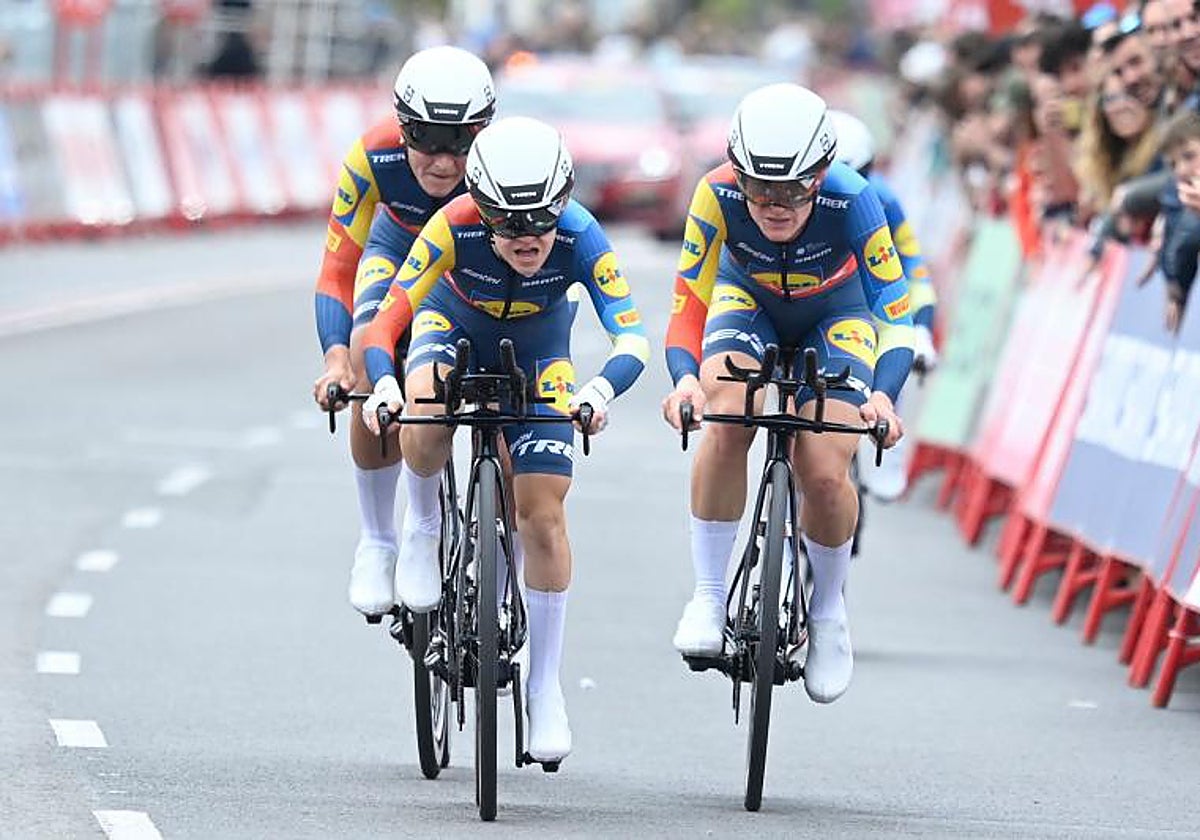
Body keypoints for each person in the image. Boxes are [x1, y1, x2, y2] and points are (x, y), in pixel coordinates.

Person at [359, 117, 649, 761]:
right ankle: (425, 526)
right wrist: (384, 387)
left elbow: (631, 338)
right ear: (482, 210)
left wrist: (598, 393)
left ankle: (545, 687)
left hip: (542, 353)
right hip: (450, 327)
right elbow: (384, 327)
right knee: (426, 409)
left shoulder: (580, 234)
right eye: (510, 224)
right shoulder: (452, 225)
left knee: (542, 515)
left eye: (542, 220)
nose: (529, 239)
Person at [661, 84, 912, 704]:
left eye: (795, 190)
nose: (775, 205)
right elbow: (689, 302)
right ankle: (710, 595)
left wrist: (883, 395)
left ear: (821, 174)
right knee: (726, 412)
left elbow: (894, 313)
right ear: (737, 174)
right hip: (749, 304)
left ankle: (828, 615)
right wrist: (685, 379)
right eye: (760, 188)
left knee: (825, 468)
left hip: (837, 312)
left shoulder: (854, 199)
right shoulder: (715, 193)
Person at [311, 46, 495, 619]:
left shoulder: (505, 163)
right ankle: (378, 539)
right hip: (397, 253)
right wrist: (337, 357)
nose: (444, 162)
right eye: (427, 141)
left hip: (473, 264)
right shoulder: (372, 155)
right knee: (373, 356)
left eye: (461, 142)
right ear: (402, 127)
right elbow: (339, 268)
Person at [828, 110, 936, 503]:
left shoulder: (883, 199)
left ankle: (885, 449)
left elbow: (914, 270)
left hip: (864, 301)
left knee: (894, 345)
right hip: (814, 300)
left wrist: (922, 328)